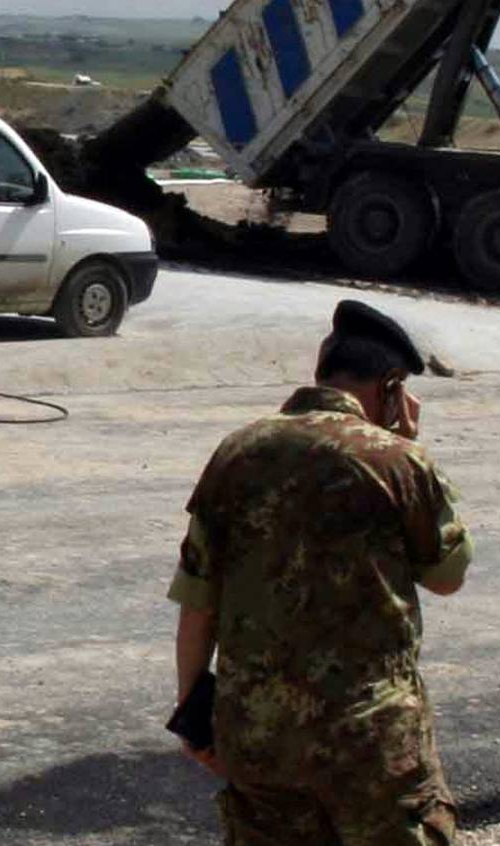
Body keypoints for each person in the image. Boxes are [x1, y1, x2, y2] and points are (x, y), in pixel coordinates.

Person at [168, 300, 473, 845]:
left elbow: (198, 602)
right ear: (392, 387)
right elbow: (447, 576)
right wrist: (410, 447)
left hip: (258, 738)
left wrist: (194, 716)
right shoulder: (397, 461)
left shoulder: (235, 453)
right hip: (371, 741)